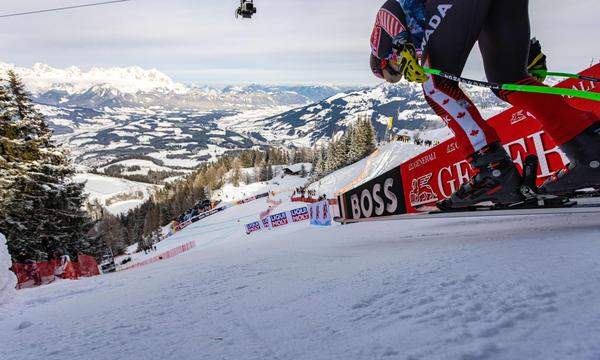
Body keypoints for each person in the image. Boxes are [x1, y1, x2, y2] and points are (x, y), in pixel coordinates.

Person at [370, 0, 599, 209]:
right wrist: (524, 49)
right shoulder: (418, 42)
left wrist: (399, 43)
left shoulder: (381, 47)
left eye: (393, 71)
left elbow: (389, 10)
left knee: (434, 86)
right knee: (510, 79)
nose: (400, 72)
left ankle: (493, 170)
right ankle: (590, 151)